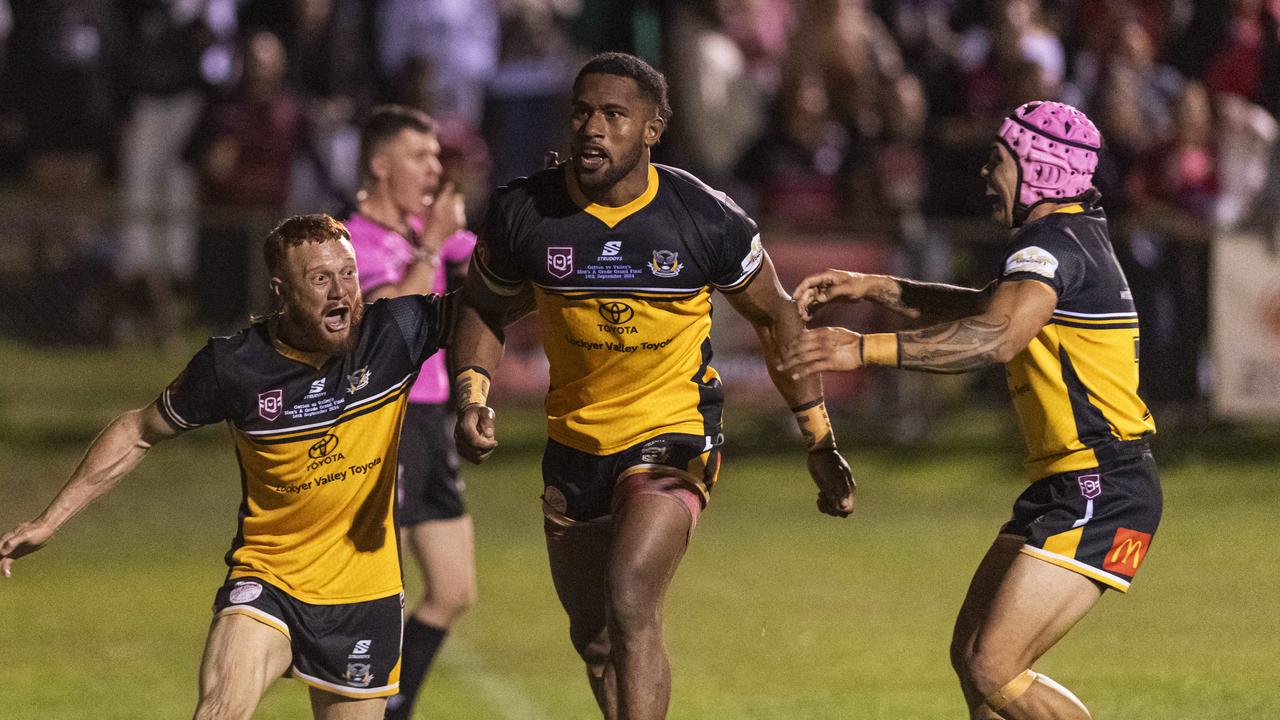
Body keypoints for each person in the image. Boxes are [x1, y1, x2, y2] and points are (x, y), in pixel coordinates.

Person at [451, 52, 856, 720]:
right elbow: (483, 306)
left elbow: (780, 319)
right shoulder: (526, 211)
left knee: (632, 595)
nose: (593, 128)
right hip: (575, 444)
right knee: (596, 639)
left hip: (675, 434)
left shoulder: (704, 216)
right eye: (583, 111)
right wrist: (472, 394)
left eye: (614, 114)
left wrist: (817, 439)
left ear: (652, 128)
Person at [782, 101, 1162, 720]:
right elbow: (986, 312)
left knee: (994, 665)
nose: (987, 175)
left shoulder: (1054, 247)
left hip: (1102, 488)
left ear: (1038, 166)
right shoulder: (1065, 243)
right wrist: (874, 286)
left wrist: (862, 347)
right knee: (974, 659)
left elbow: (994, 337)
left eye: (997, 160)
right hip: (1073, 483)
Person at [0, 214, 454, 720]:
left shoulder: (391, 333)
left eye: (347, 274)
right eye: (320, 278)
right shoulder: (237, 365)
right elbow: (137, 431)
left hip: (364, 596)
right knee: (219, 711)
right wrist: (48, 521)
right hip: (270, 580)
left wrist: (477, 393)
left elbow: (496, 298)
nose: (341, 293)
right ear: (280, 291)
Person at [343, 105, 475, 720]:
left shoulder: (426, 230)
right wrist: (431, 246)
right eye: (420, 156)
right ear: (379, 164)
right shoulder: (349, 243)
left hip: (430, 421)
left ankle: (395, 708)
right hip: (381, 425)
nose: (434, 167)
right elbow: (384, 325)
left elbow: (498, 258)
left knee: (453, 589)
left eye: (436, 155)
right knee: (379, 596)